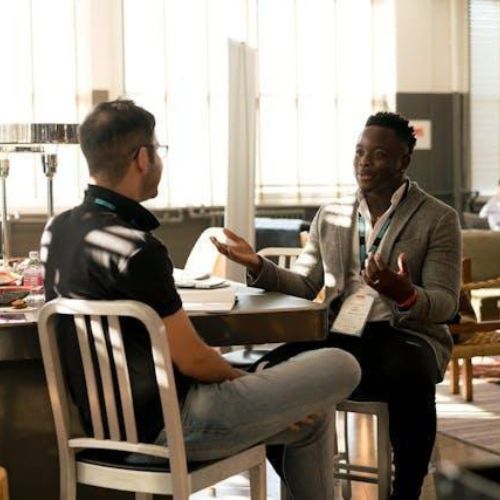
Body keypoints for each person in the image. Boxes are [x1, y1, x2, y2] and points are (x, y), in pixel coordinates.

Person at [40, 99, 361, 499]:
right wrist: (249, 382)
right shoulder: (140, 250)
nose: (159, 160)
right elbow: (191, 357)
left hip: (101, 432)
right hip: (176, 425)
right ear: (141, 157)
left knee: (311, 421)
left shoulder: (57, 230)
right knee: (342, 362)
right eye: (158, 150)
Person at [212, 111, 462, 500]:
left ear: (403, 162)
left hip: (406, 335)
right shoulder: (329, 216)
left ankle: (406, 491)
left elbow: (446, 304)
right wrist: (259, 266)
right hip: (342, 333)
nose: (364, 161)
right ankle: (305, 487)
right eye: (359, 152)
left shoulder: (438, 218)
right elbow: (306, 284)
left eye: (378, 154)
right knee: (273, 371)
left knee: (407, 373)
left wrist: (404, 293)